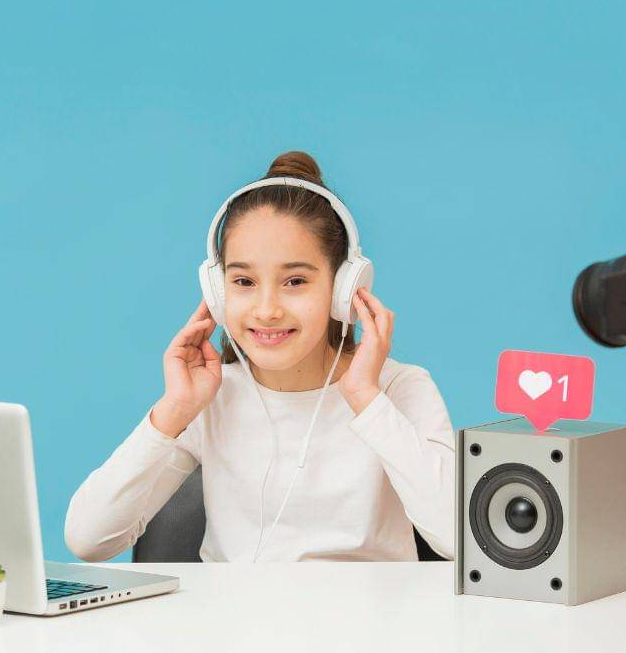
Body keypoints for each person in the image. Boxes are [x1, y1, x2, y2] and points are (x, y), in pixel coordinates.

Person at [65, 151, 455, 562]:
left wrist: (365, 398)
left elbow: (458, 540)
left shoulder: (398, 388)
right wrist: (174, 409)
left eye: (295, 281)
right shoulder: (211, 399)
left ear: (345, 289)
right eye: (244, 281)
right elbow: (89, 539)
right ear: (218, 294)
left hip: (373, 624)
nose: (267, 309)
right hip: (233, 626)